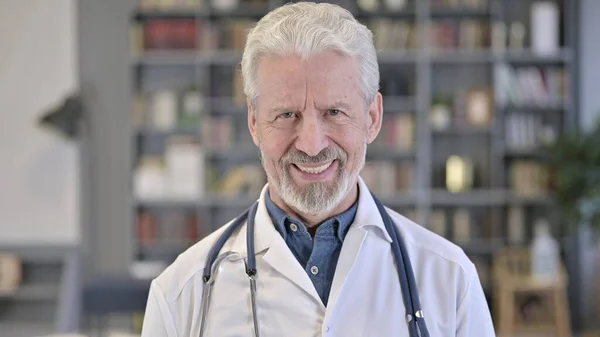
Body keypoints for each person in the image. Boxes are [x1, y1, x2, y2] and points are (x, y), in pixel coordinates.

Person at [141, 2, 496, 336]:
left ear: (372, 118)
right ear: (253, 122)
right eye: (286, 114)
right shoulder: (180, 295)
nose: (311, 144)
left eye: (334, 113)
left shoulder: (450, 279)